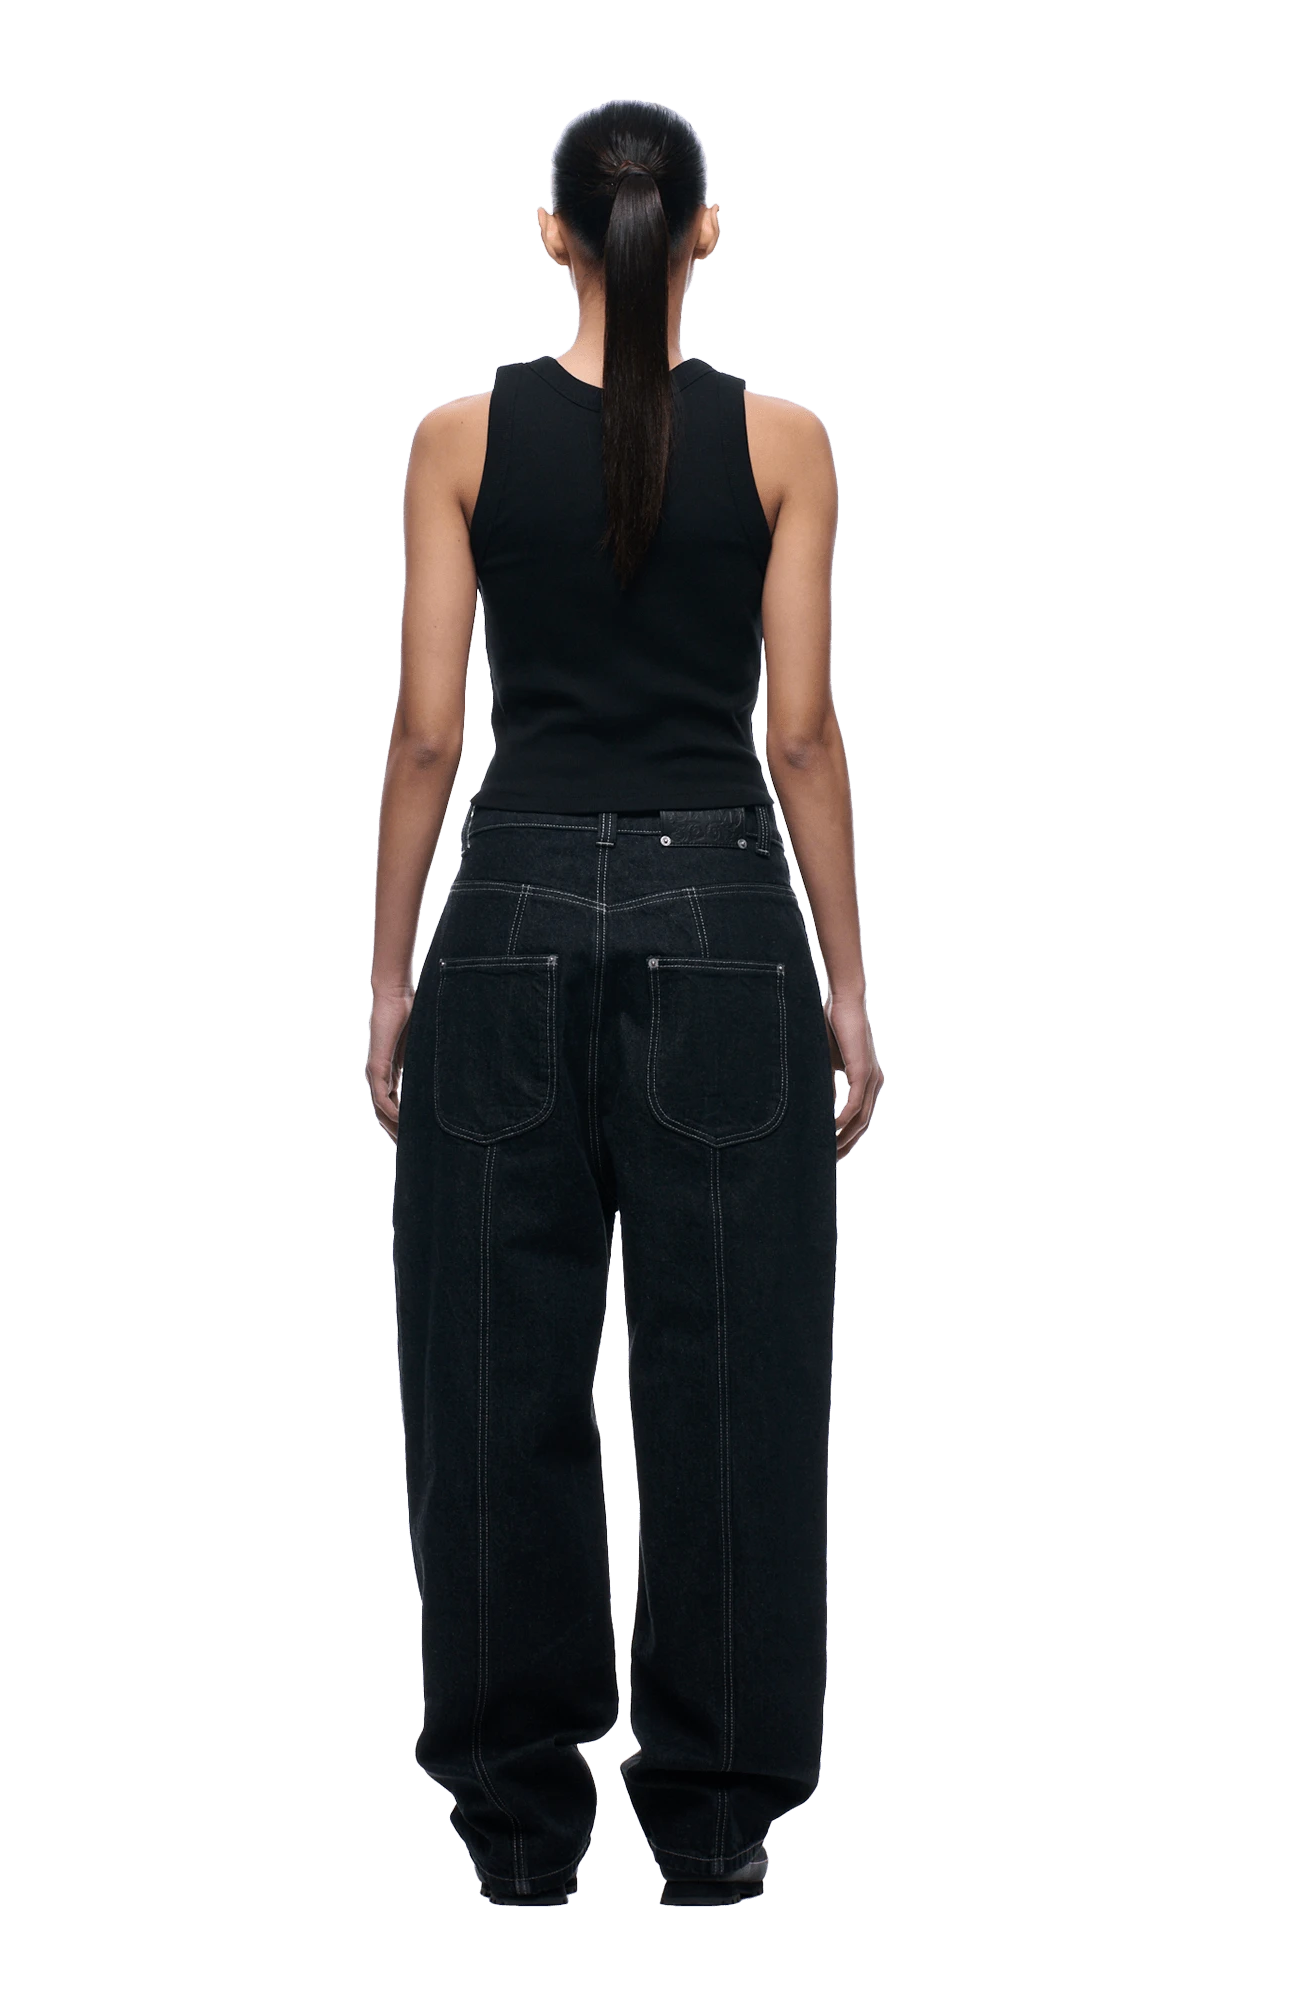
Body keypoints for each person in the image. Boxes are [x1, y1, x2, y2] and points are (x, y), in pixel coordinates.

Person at [370, 99, 883, 1910]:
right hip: (727, 919)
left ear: (555, 236)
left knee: (489, 1380)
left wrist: (391, 974)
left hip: (506, 908)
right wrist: (848, 986)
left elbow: (428, 735)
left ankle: (519, 1835)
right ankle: (718, 1829)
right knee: (737, 1376)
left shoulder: (455, 439)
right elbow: (801, 736)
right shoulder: (788, 442)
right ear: (708, 236)